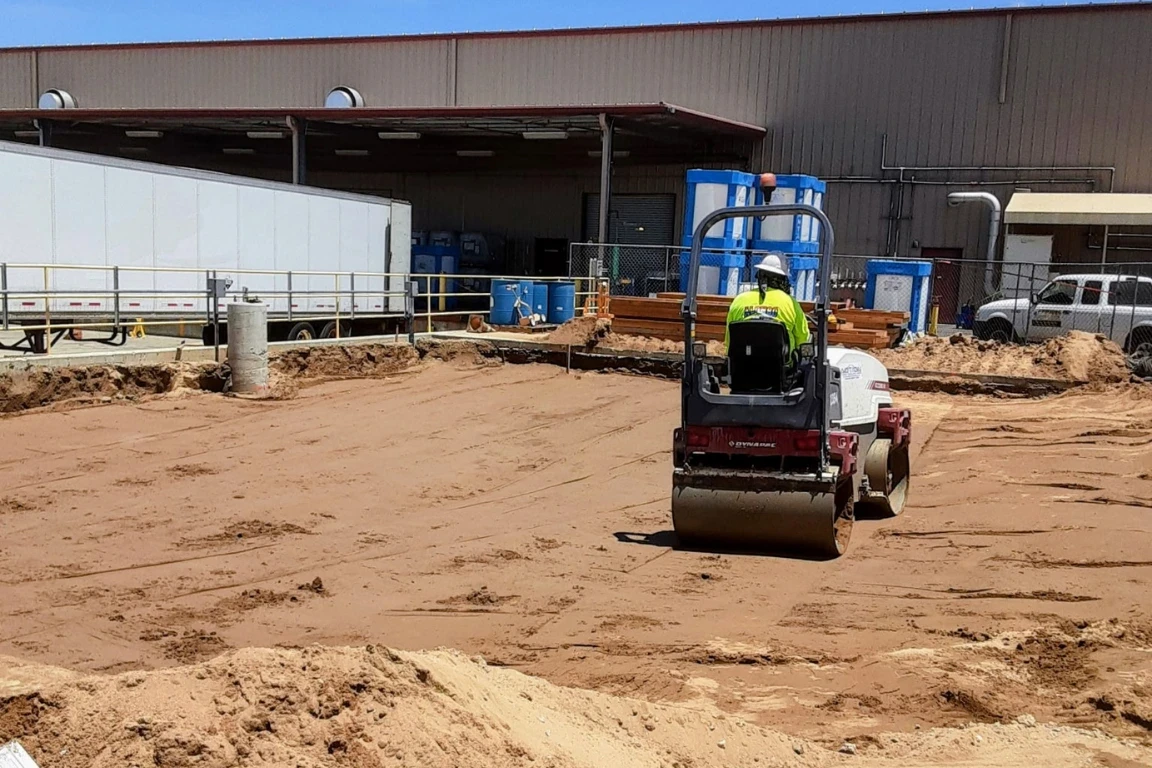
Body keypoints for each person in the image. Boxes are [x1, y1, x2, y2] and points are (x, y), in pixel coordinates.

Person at [725, 254, 810, 355]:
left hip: (741, 368)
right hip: (781, 368)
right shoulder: (790, 303)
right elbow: (803, 340)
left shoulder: (739, 301)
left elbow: (729, 341)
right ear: (780, 279)